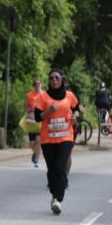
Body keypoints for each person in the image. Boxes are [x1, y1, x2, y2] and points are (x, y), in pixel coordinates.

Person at [34, 69, 81, 215]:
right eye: (51, 78)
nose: (54, 80)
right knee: (52, 169)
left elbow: (77, 108)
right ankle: (55, 193)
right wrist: (48, 111)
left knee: (60, 167)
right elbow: (37, 117)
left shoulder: (69, 95)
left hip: (66, 137)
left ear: (62, 80)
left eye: (57, 78)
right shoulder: (43, 97)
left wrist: (75, 117)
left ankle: (57, 199)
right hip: (48, 139)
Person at [23, 78, 43, 167]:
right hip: (31, 119)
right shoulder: (29, 95)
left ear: (41, 84)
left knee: (39, 141)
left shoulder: (44, 94)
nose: (37, 85)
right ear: (33, 85)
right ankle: (36, 153)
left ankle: (36, 161)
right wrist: (29, 109)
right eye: (35, 84)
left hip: (41, 120)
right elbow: (25, 106)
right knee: (31, 143)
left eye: (38, 83)